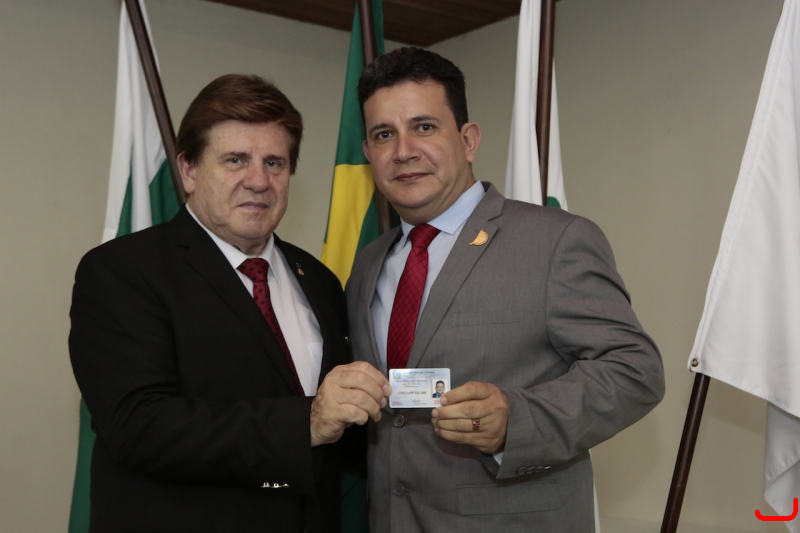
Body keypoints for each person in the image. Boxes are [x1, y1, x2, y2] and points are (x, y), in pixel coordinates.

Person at [345, 47, 665, 532]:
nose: (403, 150)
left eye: (424, 127)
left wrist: (516, 420)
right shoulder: (369, 262)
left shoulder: (554, 240)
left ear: (468, 140)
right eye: (384, 134)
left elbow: (635, 371)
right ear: (369, 152)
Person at [69, 74, 390, 533]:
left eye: (275, 163)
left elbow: (342, 434)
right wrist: (306, 421)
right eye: (236, 160)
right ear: (188, 170)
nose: (258, 181)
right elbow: (138, 427)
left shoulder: (318, 279)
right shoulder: (122, 271)